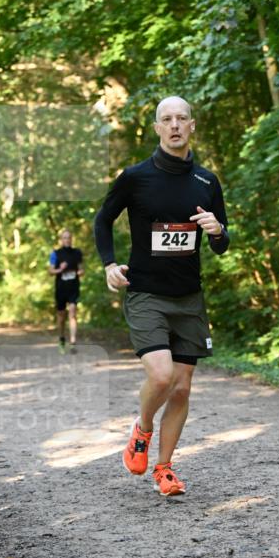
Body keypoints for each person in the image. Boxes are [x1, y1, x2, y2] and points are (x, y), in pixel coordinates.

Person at [93, 96, 229, 496]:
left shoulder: (206, 182)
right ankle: (143, 427)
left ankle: (165, 468)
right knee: (162, 375)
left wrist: (217, 229)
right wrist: (108, 263)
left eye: (181, 118)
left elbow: (221, 244)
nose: (174, 125)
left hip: (188, 297)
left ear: (192, 126)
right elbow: (103, 220)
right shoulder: (136, 177)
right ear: (156, 128)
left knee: (183, 388)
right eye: (166, 119)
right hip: (146, 293)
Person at [49, 229, 84, 354]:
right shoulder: (55, 254)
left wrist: (79, 272)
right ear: (61, 240)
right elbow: (50, 271)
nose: (67, 240)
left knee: (73, 312)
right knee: (61, 316)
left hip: (73, 287)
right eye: (64, 237)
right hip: (61, 288)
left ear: (72, 239)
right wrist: (60, 269)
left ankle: (73, 342)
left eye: (69, 237)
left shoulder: (77, 253)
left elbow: (81, 270)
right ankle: (62, 338)